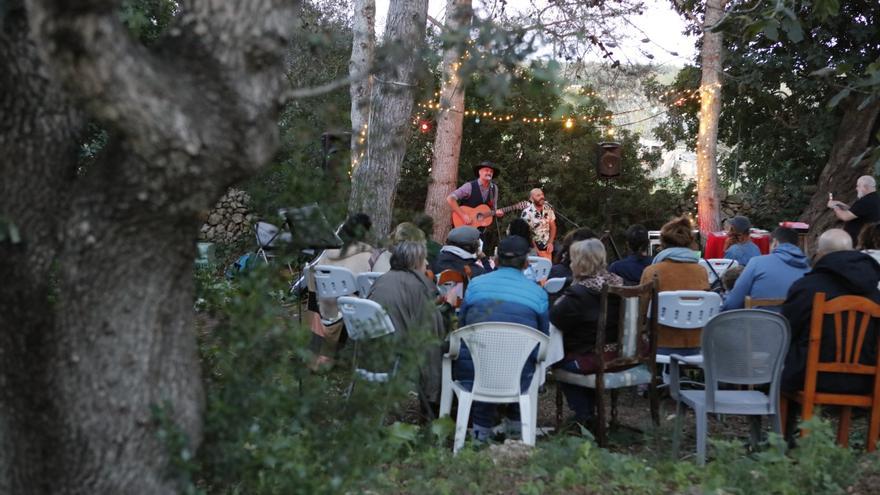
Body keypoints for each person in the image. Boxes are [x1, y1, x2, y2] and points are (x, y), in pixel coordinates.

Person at [453, 236, 550, 442]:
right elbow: (543, 339)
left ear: (496, 260)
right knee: (523, 361)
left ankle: (480, 434)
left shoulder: (475, 286)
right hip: (519, 377)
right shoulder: (538, 294)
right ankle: (515, 433)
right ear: (526, 263)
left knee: (481, 359)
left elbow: (462, 326)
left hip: (475, 373)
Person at [781, 229, 880, 395]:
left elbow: (787, 329)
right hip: (867, 379)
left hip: (810, 376)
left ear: (820, 254)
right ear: (852, 250)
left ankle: (786, 420)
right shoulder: (873, 291)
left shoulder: (807, 287)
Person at [367, 240, 447, 415]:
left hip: (370, 351)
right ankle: (433, 405)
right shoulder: (418, 286)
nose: (427, 263)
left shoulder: (382, 279)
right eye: (424, 259)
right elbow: (432, 333)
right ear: (415, 261)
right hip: (398, 354)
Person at [550, 239, 624, 427]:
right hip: (622, 353)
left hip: (594, 357)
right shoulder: (619, 284)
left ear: (581, 263)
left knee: (557, 360)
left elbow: (556, 319)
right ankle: (592, 411)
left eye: (573, 260)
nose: (571, 264)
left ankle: (585, 415)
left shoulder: (580, 294)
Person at [306, 213, 381, 370]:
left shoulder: (327, 253)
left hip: (324, 309)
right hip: (351, 312)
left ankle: (320, 355)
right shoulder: (369, 256)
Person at [640, 217, 709, 352]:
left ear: (662, 244)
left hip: (660, 344)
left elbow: (641, 312)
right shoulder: (702, 271)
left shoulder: (652, 272)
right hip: (697, 344)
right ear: (690, 243)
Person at [721, 227, 810, 311]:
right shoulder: (809, 270)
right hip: (793, 325)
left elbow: (733, 303)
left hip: (760, 325)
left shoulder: (757, 263)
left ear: (775, 243)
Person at [446, 161, 504, 228]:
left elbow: (493, 209)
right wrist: (463, 215)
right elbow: (450, 198)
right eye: (486, 170)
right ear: (480, 172)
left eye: (491, 171)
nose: (489, 173)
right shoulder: (469, 186)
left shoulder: (494, 188)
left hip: (481, 228)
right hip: (464, 227)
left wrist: (497, 213)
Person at [828, 175, 880, 244]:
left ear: (865, 187)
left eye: (858, 186)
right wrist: (840, 204)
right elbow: (855, 212)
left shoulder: (865, 201)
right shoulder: (874, 199)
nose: (856, 188)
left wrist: (834, 207)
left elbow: (845, 217)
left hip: (859, 242)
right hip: (867, 241)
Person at [520, 188, 556, 260]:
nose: (542, 197)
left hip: (547, 246)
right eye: (538, 195)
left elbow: (553, 227)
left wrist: (550, 242)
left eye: (542, 194)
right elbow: (527, 233)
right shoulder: (527, 213)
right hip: (533, 247)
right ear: (531, 199)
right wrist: (536, 250)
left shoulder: (548, 208)